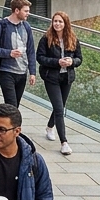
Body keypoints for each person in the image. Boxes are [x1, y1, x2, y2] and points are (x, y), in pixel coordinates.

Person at [34, 12, 82, 155]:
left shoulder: (73, 39)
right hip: (51, 78)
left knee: (59, 106)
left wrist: (72, 62)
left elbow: (79, 58)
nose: (57, 24)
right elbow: (40, 57)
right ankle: (64, 142)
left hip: (67, 78)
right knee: (60, 109)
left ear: (65, 23)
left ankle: (50, 127)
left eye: (60, 22)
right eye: (55, 21)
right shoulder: (46, 38)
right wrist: (57, 62)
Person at [0, 0, 36, 107]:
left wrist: (32, 72)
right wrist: (9, 53)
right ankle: (5, 123)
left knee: (14, 106)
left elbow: (31, 50)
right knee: (11, 105)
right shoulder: (1, 26)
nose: (28, 14)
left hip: (22, 72)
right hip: (5, 71)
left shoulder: (26, 26)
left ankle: (3, 123)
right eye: (25, 11)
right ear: (16, 10)